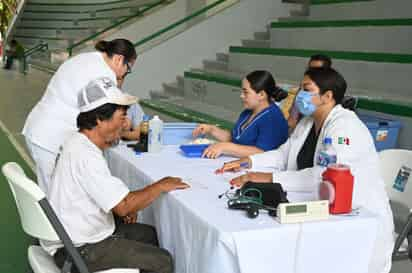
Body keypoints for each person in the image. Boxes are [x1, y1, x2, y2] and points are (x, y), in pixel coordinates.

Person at [217, 68, 394, 273]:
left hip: (357, 220)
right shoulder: (308, 122)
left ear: (327, 96)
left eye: (306, 89)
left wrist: (269, 177)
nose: (299, 94)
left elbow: (324, 176)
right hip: (317, 208)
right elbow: (283, 154)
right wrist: (249, 162)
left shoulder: (345, 128)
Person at [43, 78, 189, 273]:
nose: (126, 124)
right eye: (122, 117)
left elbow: (110, 199)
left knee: (148, 234)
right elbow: (124, 206)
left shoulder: (78, 142)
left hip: (77, 234)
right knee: (161, 261)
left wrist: (124, 205)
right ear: (99, 120)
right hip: (77, 249)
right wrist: (160, 186)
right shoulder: (85, 155)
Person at [23, 38, 137, 194]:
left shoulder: (87, 58)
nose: (125, 74)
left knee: (54, 193)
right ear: (119, 59)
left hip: (41, 128)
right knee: (55, 198)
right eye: (128, 69)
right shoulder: (105, 74)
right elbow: (107, 119)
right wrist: (126, 127)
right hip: (51, 139)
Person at [192, 70, 288, 159]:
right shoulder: (248, 112)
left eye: (246, 92)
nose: (241, 96)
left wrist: (225, 147)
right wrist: (212, 129)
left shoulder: (272, 118)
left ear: (261, 95)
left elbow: (262, 152)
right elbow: (235, 139)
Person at [287, 54, 333, 130]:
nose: (312, 73)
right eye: (310, 69)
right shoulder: (303, 90)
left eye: (317, 70)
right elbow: (292, 119)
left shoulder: (330, 95)